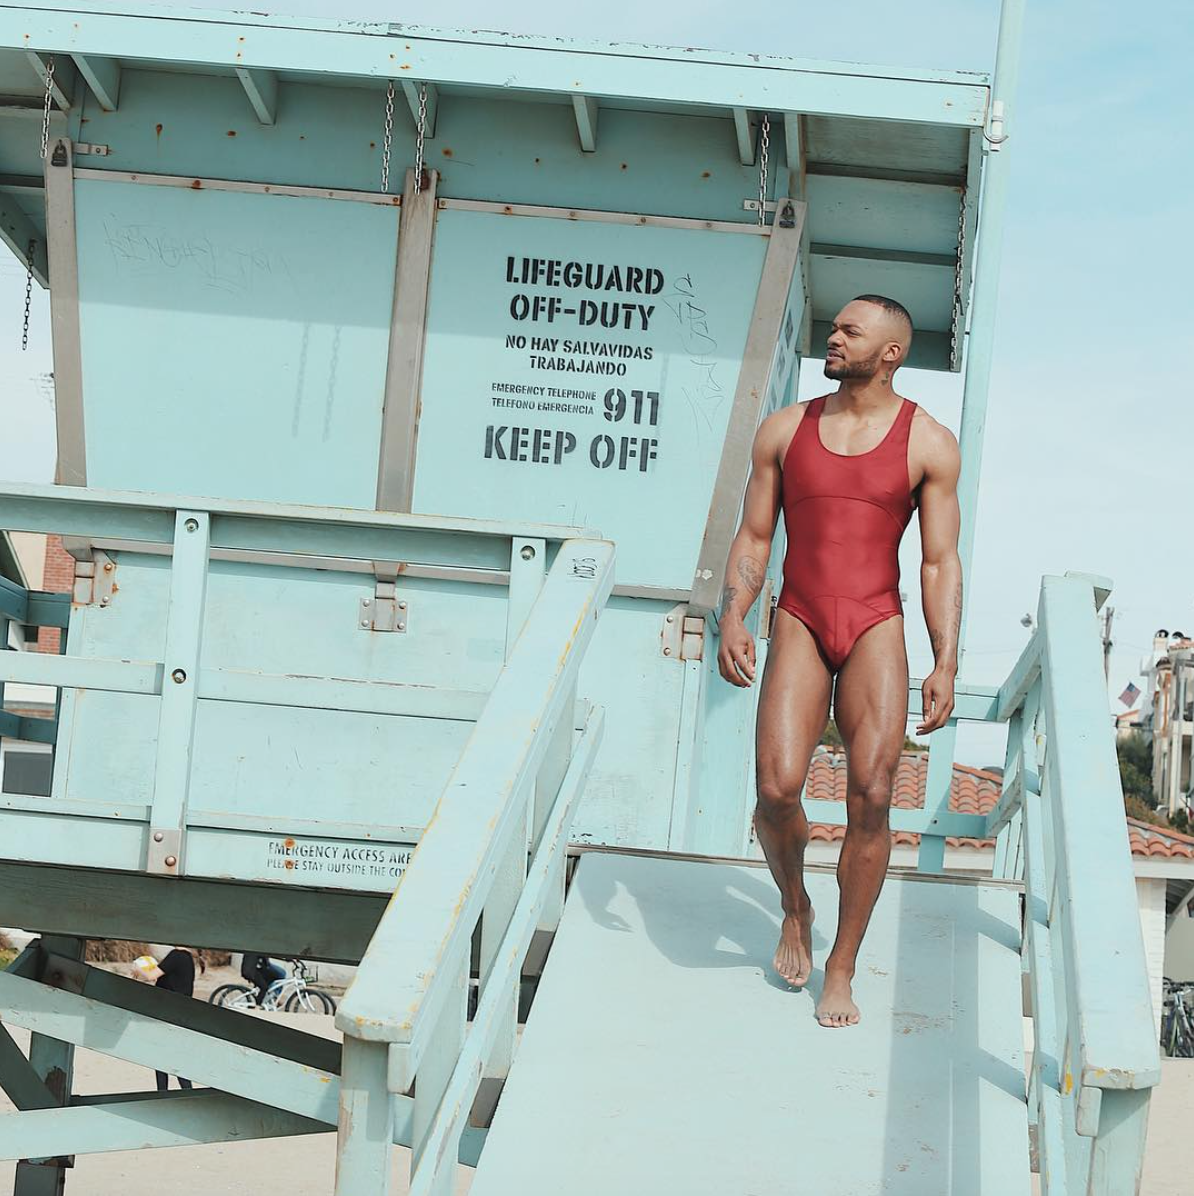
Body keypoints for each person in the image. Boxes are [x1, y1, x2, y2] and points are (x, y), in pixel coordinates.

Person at [717, 294, 961, 1028]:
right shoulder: (787, 430)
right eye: (835, 327)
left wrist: (945, 657)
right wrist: (733, 612)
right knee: (776, 787)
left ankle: (843, 964)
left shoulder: (929, 442)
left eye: (851, 331)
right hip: (798, 616)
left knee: (874, 793)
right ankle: (795, 905)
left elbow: (939, 561)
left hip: (876, 623)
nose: (834, 336)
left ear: (889, 353)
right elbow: (755, 537)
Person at [131, 946, 205, 1088]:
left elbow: (151, 976)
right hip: (180, 1015)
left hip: (168, 1015)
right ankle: (183, 1091)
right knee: (173, 1057)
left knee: (163, 1058)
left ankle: (167, 1092)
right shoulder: (187, 958)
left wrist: (137, 969)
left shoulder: (176, 955)